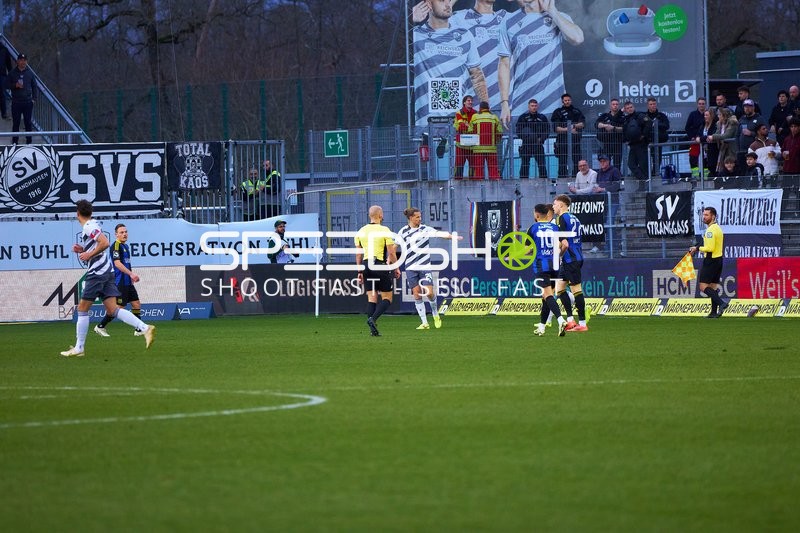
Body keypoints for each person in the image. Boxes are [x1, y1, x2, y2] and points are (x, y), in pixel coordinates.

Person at [60, 201, 155, 356]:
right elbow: (98, 246)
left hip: (97, 273)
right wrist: (83, 250)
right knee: (113, 309)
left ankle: (79, 348)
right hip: (107, 272)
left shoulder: (89, 226)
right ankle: (145, 328)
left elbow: (104, 243)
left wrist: (88, 254)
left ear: (77, 213)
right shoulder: (93, 224)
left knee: (82, 309)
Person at [498, 0, 584, 127]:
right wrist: (504, 103)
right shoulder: (508, 22)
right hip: (521, 106)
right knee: (521, 146)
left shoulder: (559, 17)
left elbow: (578, 38)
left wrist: (552, 11)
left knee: (555, 146)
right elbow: (504, 64)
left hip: (554, 106)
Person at [412, 0, 488, 128]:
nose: (447, 4)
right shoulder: (416, 35)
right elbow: (388, 51)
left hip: (460, 122)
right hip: (426, 122)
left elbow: (477, 75)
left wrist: (485, 109)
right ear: (429, 5)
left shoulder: (465, 35)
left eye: (448, 0)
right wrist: (410, 19)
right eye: (442, 1)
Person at [397, 207, 461, 330]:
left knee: (430, 293)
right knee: (416, 294)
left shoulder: (425, 229)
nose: (420, 219)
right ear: (410, 218)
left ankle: (435, 314)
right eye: (417, 217)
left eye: (420, 216)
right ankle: (424, 322)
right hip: (410, 267)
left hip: (425, 266)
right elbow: (394, 245)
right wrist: (391, 257)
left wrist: (450, 236)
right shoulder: (403, 232)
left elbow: (438, 234)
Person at [355, 205, 400, 336]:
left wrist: (359, 272)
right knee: (387, 298)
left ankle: (373, 331)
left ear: (370, 216)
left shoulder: (361, 231)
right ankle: (372, 319)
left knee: (372, 297)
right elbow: (391, 252)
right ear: (380, 215)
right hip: (379, 264)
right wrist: (396, 267)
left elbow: (358, 254)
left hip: (365, 265)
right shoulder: (384, 230)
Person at [450, 1, 508, 104]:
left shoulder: (505, 17)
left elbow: (530, 9)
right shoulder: (460, 18)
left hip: (505, 103)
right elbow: (439, 19)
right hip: (473, 102)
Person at [93, 223, 144, 337]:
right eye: (121, 232)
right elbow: (117, 263)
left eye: (126, 232)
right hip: (120, 282)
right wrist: (131, 274)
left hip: (127, 281)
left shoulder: (125, 246)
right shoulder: (115, 246)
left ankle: (139, 329)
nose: (124, 234)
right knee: (118, 309)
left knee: (136, 304)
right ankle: (100, 326)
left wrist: (130, 277)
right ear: (116, 235)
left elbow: (126, 264)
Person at [529, 203, 568, 337]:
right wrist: (558, 255)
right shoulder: (555, 227)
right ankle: (541, 327)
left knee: (547, 295)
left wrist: (511, 257)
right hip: (555, 265)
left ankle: (560, 320)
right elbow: (565, 245)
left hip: (542, 265)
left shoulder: (533, 228)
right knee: (546, 296)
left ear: (537, 214)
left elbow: (528, 249)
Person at [552, 194, 588, 331]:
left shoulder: (561, 218)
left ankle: (583, 324)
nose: (553, 207)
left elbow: (565, 244)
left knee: (576, 290)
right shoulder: (575, 218)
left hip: (570, 259)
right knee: (560, 289)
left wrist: (558, 255)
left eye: (555, 204)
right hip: (576, 256)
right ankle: (571, 321)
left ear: (561, 205)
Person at [689, 207, 729, 318]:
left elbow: (710, 248)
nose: (704, 217)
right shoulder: (717, 228)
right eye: (704, 215)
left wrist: (697, 249)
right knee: (713, 287)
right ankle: (713, 312)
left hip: (711, 260)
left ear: (713, 216)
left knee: (703, 287)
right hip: (718, 260)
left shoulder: (710, 230)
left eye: (707, 215)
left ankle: (722, 303)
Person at [551, 93, 585, 178]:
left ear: (571, 100)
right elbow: (556, 128)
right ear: (562, 101)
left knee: (577, 161)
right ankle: (562, 179)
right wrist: (569, 130)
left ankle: (577, 178)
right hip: (562, 141)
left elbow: (582, 124)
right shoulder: (557, 112)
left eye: (568, 100)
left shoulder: (576, 111)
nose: (567, 102)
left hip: (575, 141)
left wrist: (573, 126)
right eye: (565, 100)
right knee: (562, 162)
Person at [515, 98, 549, 179]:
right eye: (532, 106)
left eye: (535, 106)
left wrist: (541, 139)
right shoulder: (523, 117)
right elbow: (518, 131)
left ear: (537, 107)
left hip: (538, 144)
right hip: (526, 145)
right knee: (525, 164)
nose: (534, 107)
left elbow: (547, 130)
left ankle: (544, 181)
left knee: (542, 165)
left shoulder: (542, 117)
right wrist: (527, 138)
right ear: (528, 106)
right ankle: (523, 181)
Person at [7, 53, 37, 145]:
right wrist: (15, 85)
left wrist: (34, 99)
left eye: (24, 60)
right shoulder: (12, 73)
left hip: (28, 102)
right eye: (21, 60)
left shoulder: (30, 73)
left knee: (28, 122)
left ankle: (29, 142)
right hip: (16, 102)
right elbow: (6, 85)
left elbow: (34, 86)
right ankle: (15, 142)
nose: (23, 62)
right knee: (16, 123)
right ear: (17, 61)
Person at [470, 101, 503, 180]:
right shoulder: (494, 117)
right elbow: (500, 132)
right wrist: (496, 141)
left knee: (478, 171)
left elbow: (470, 130)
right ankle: (495, 188)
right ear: (488, 108)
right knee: (493, 171)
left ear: (480, 108)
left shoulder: (475, 117)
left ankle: (479, 188)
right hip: (491, 149)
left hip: (478, 149)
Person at [642, 97, 670, 178]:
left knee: (657, 160)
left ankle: (655, 175)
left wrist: (655, 125)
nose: (653, 106)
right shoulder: (644, 116)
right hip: (646, 142)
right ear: (647, 106)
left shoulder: (661, 116)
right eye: (651, 104)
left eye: (654, 104)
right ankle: (646, 176)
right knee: (645, 160)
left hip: (658, 142)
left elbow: (667, 126)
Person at [595, 98, 625, 170]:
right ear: (610, 106)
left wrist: (613, 128)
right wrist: (605, 125)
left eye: (617, 104)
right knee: (606, 163)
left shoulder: (623, 116)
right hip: (606, 143)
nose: (615, 106)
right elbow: (596, 124)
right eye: (613, 104)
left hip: (618, 142)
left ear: (619, 105)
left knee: (617, 163)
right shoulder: (604, 115)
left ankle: (617, 178)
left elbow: (625, 128)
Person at [736, 99, 766, 170]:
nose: (747, 108)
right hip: (742, 152)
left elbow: (765, 133)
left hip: (754, 151)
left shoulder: (759, 119)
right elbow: (737, 135)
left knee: (754, 171)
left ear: (753, 107)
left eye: (749, 106)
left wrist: (751, 133)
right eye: (745, 107)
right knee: (743, 172)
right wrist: (738, 149)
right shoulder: (742, 119)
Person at [708, 107, 738, 176]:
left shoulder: (732, 123)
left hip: (731, 150)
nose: (718, 116)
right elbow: (717, 133)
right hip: (723, 149)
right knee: (723, 169)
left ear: (724, 116)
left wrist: (713, 137)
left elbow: (726, 136)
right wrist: (711, 137)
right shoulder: (719, 124)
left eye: (719, 115)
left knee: (732, 168)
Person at [622, 100, 647, 180]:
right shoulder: (625, 119)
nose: (630, 109)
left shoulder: (640, 115)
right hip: (632, 145)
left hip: (641, 144)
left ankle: (644, 184)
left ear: (634, 107)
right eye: (627, 108)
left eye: (631, 107)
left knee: (643, 165)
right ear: (625, 110)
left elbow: (649, 123)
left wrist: (643, 135)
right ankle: (643, 180)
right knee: (631, 164)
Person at [684, 97, 707, 181]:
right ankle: (695, 176)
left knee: (706, 159)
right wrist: (692, 137)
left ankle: (706, 177)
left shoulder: (708, 114)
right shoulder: (692, 114)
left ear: (705, 104)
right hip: (694, 141)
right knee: (693, 159)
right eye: (700, 104)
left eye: (703, 104)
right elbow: (687, 127)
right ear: (697, 104)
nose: (701, 105)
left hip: (705, 141)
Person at [453, 95, 476, 178]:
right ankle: (457, 183)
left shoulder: (475, 113)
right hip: (461, 145)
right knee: (459, 164)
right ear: (464, 102)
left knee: (473, 166)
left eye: (471, 101)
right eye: (468, 100)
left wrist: (467, 126)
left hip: (472, 145)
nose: (470, 102)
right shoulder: (459, 113)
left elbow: (476, 128)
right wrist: (470, 127)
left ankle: (473, 183)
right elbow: (461, 127)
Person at [781, 119, 800, 218]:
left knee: (798, 193)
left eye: (795, 126)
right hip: (787, 169)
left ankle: (798, 213)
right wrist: (783, 153)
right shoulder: (787, 139)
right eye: (792, 127)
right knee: (785, 192)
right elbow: (783, 150)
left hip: (798, 170)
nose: (793, 129)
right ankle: (783, 213)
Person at [0, 47, 12, 120]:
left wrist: (11, 76)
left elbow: (9, 63)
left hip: (2, 75)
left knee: (2, 94)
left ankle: (4, 113)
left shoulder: (4, 49)